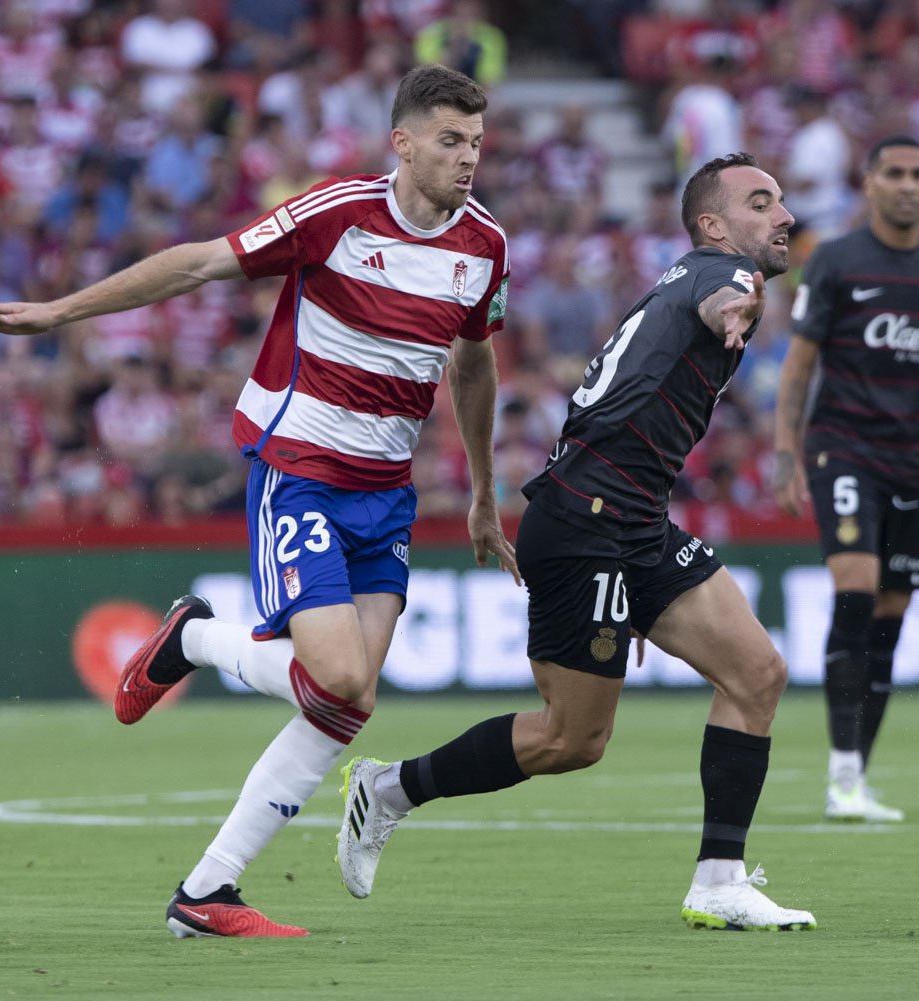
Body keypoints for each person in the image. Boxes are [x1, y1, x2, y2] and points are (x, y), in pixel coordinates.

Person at [0, 65, 517, 938]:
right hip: (300, 468)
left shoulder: (485, 247)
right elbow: (203, 263)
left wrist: (483, 491)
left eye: (476, 142)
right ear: (401, 143)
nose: (467, 159)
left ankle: (207, 893)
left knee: (349, 701)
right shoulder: (337, 212)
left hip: (386, 490)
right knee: (332, 673)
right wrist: (60, 312)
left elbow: (473, 366)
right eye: (449, 140)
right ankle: (197, 637)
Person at [335, 153, 817, 932]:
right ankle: (388, 788)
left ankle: (719, 881)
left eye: (783, 199)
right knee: (571, 739)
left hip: (631, 518)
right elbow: (724, 297)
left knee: (757, 673)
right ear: (714, 225)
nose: (785, 214)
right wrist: (737, 308)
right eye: (762, 201)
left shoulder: (684, 277)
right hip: (586, 517)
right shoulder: (718, 275)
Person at [771, 135, 919, 822]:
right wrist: (786, 449)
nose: (906, 184)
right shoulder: (836, 259)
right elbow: (800, 362)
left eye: (918, 174)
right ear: (868, 184)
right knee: (856, 589)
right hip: (844, 447)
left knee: (893, 615)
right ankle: (840, 773)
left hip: (913, 457)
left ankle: (856, 776)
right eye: (893, 173)